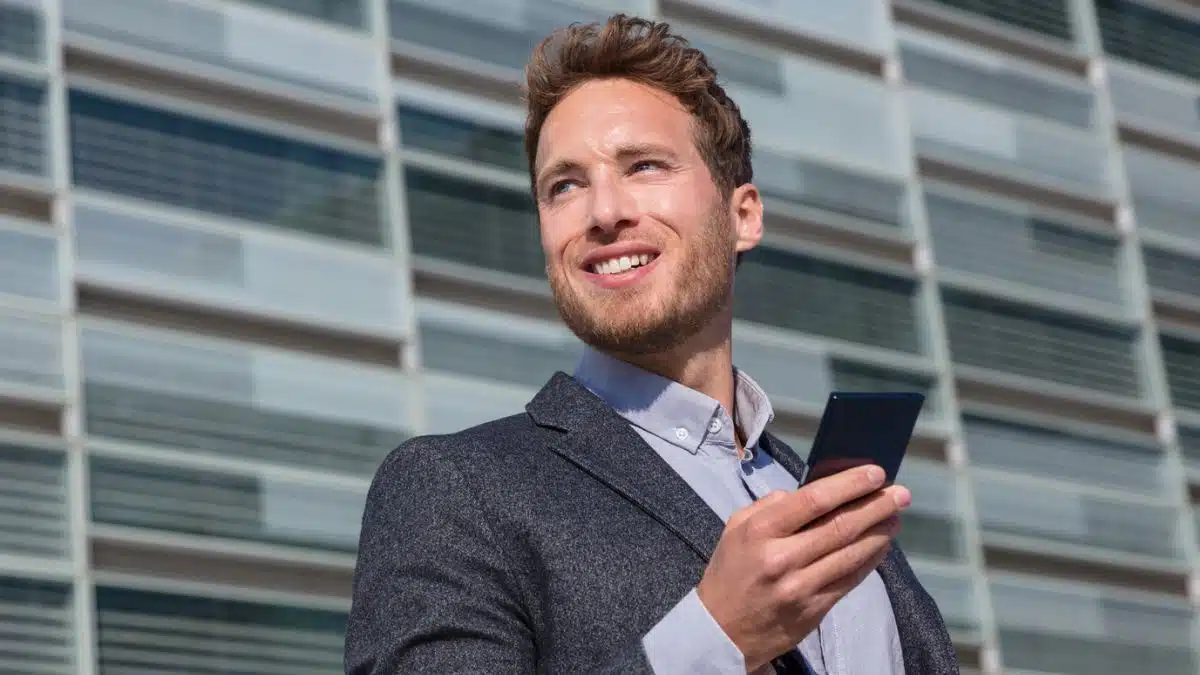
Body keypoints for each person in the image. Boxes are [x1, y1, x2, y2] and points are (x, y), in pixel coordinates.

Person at [345, 13, 959, 675]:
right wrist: (716, 636)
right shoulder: (456, 490)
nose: (604, 211)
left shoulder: (830, 503)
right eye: (566, 185)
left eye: (644, 166)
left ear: (742, 215)